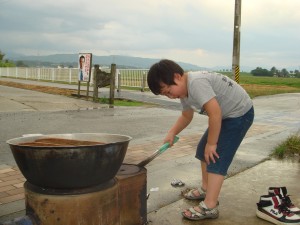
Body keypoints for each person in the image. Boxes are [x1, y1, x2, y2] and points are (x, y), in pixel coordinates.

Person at [147, 59, 254, 221]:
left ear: (177, 77)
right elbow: (186, 115)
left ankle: (210, 206)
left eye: (168, 91)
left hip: (239, 114)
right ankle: (206, 188)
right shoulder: (184, 91)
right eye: (165, 95)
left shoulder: (196, 83)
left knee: (216, 157)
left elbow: (215, 113)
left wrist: (213, 143)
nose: (170, 97)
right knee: (202, 150)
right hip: (225, 115)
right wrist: (172, 132)